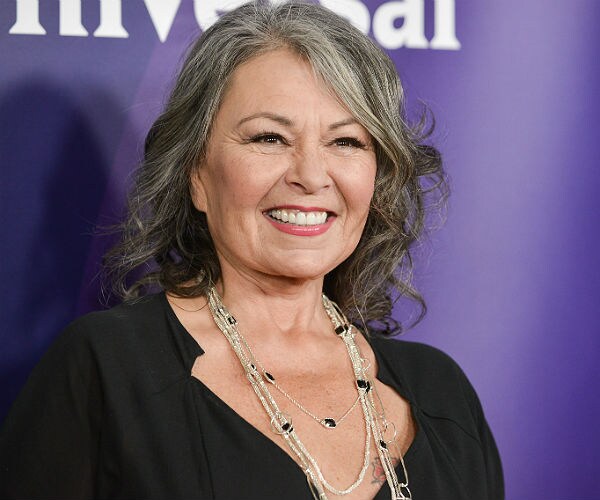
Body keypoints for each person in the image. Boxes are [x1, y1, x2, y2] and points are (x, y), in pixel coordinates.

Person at [0, 1, 503, 499]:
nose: (311, 175)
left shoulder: (442, 394)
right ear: (196, 174)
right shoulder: (106, 369)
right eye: (269, 138)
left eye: (346, 141)